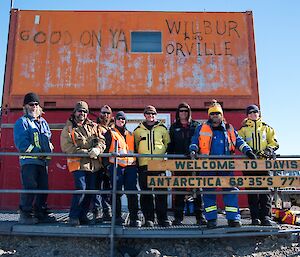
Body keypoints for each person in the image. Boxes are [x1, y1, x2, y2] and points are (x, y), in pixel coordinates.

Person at [189, 99, 257, 229]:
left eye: (217, 113)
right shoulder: (201, 128)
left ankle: (233, 219)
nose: (215, 116)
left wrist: (248, 151)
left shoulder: (229, 128)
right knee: (208, 193)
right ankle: (211, 220)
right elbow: (194, 141)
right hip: (207, 166)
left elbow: (239, 141)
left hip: (226, 166)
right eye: (213, 113)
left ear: (221, 115)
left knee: (230, 191)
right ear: (209, 115)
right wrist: (192, 150)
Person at [60, 101, 106, 226]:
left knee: (90, 191)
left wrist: (98, 149)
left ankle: (83, 215)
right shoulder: (68, 128)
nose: (82, 113)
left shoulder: (94, 126)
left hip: (93, 165)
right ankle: (73, 217)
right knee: (81, 188)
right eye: (80, 111)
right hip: (78, 164)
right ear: (75, 112)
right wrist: (85, 152)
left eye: (85, 111)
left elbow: (102, 141)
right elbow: (66, 147)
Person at [14, 92, 56, 224]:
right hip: (29, 161)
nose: (34, 106)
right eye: (31, 104)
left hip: (42, 162)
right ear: (25, 106)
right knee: (30, 186)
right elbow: (22, 144)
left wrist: (49, 148)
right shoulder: (22, 122)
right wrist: (39, 152)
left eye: (36, 104)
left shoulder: (43, 122)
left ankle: (40, 213)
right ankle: (25, 214)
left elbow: (47, 138)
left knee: (44, 187)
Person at [238, 104, 279, 226]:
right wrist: (250, 151)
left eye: (255, 112)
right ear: (247, 115)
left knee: (265, 191)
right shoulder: (243, 129)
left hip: (264, 164)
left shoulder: (267, 128)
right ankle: (255, 217)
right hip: (249, 165)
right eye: (250, 112)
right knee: (252, 192)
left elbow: (274, 143)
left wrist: (268, 150)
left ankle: (266, 217)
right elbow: (239, 142)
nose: (253, 114)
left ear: (259, 113)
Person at [167, 102, 207, 226]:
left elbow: (201, 142)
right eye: (181, 111)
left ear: (189, 112)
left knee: (197, 190)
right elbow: (170, 145)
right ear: (178, 113)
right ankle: (178, 218)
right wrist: (170, 161)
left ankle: (200, 217)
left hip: (194, 162)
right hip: (179, 163)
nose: (183, 113)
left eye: (185, 111)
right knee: (179, 190)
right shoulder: (174, 127)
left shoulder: (196, 125)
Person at [134, 105, 171, 227]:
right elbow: (135, 146)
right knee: (146, 193)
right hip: (144, 164)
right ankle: (149, 219)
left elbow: (167, 143)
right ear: (144, 115)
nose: (151, 116)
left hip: (159, 164)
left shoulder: (162, 129)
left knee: (161, 193)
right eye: (149, 114)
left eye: (153, 114)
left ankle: (162, 219)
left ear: (156, 115)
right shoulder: (138, 130)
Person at [103, 111, 141, 227]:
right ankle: (117, 217)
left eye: (123, 119)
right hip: (116, 167)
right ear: (115, 120)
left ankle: (134, 218)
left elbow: (135, 151)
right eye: (119, 119)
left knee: (132, 192)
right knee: (116, 193)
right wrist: (107, 166)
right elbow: (104, 151)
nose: (121, 121)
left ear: (125, 121)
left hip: (130, 167)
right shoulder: (110, 133)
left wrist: (137, 166)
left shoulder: (130, 134)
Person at [93, 104, 114, 222]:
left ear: (111, 115)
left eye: (107, 113)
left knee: (107, 188)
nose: (105, 115)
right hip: (97, 162)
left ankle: (107, 211)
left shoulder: (114, 129)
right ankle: (96, 212)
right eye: (103, 112)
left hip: (108, 163)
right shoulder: (95, 127)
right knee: (96, 188)